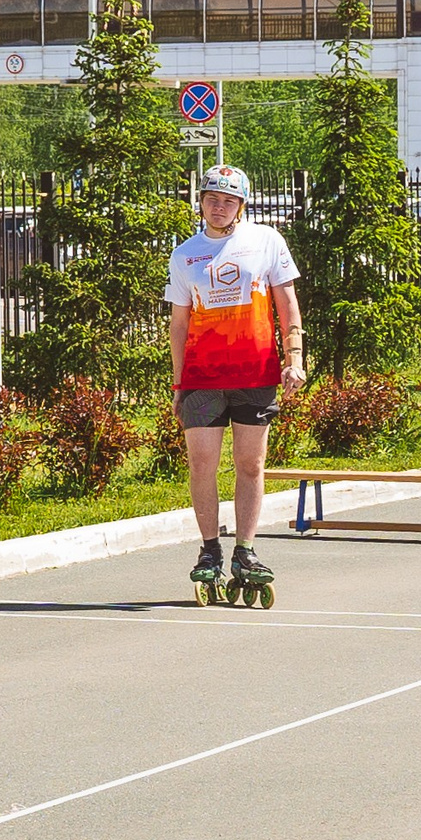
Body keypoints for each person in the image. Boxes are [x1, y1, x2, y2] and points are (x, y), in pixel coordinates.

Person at [166, 164, 306, 600]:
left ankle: (245, 550)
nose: (219, 207)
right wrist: (177, 384)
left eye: (228, 200)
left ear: (242, 204)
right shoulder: (185, 254)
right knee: (201, 465)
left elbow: (288, 305)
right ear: (201, 202)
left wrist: (295, 358)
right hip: (203, 378)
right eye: (212, 198)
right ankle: (210, 550)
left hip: (255, 372)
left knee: (251, 465)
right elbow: (178, 324)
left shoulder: (266, 241)